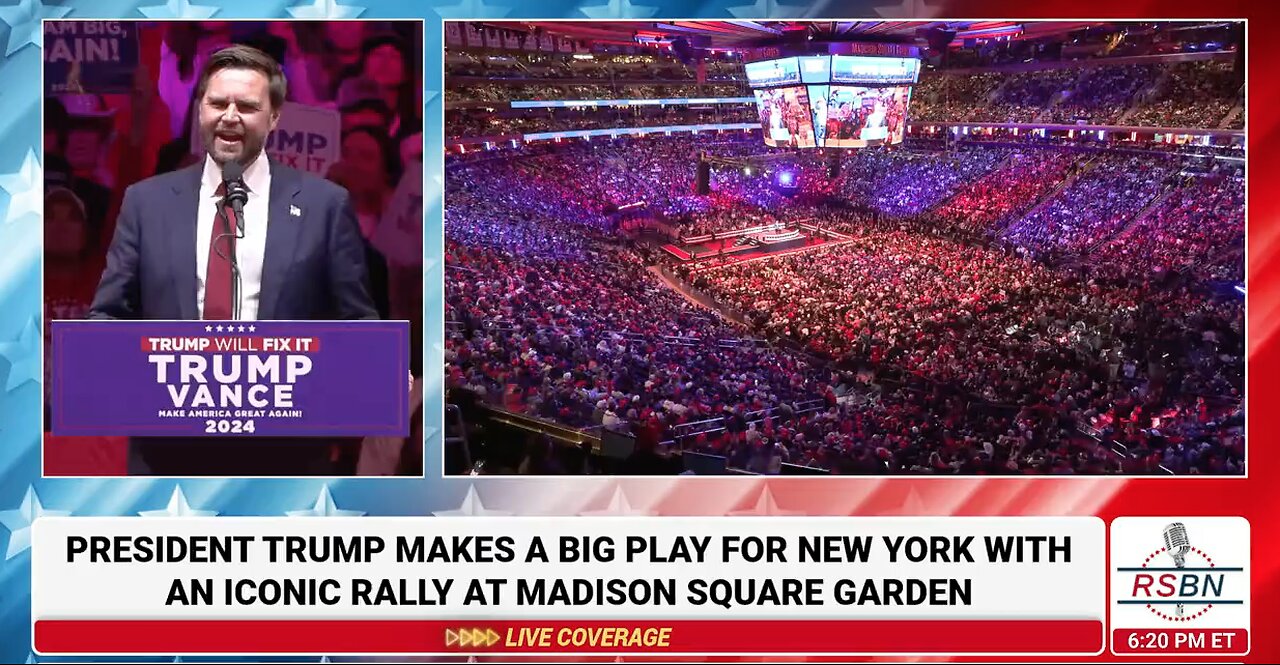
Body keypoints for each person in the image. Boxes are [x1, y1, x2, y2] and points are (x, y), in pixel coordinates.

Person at [87, 44, 381, 476]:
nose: (230, 115)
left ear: (274, 117)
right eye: (217, 102)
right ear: (199, 109)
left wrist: (379, 365)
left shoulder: (325, 205)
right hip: (168, 453)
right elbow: (109, 315)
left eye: (247, 105)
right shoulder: (145, 201)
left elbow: (356, 321)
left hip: (286, 455)